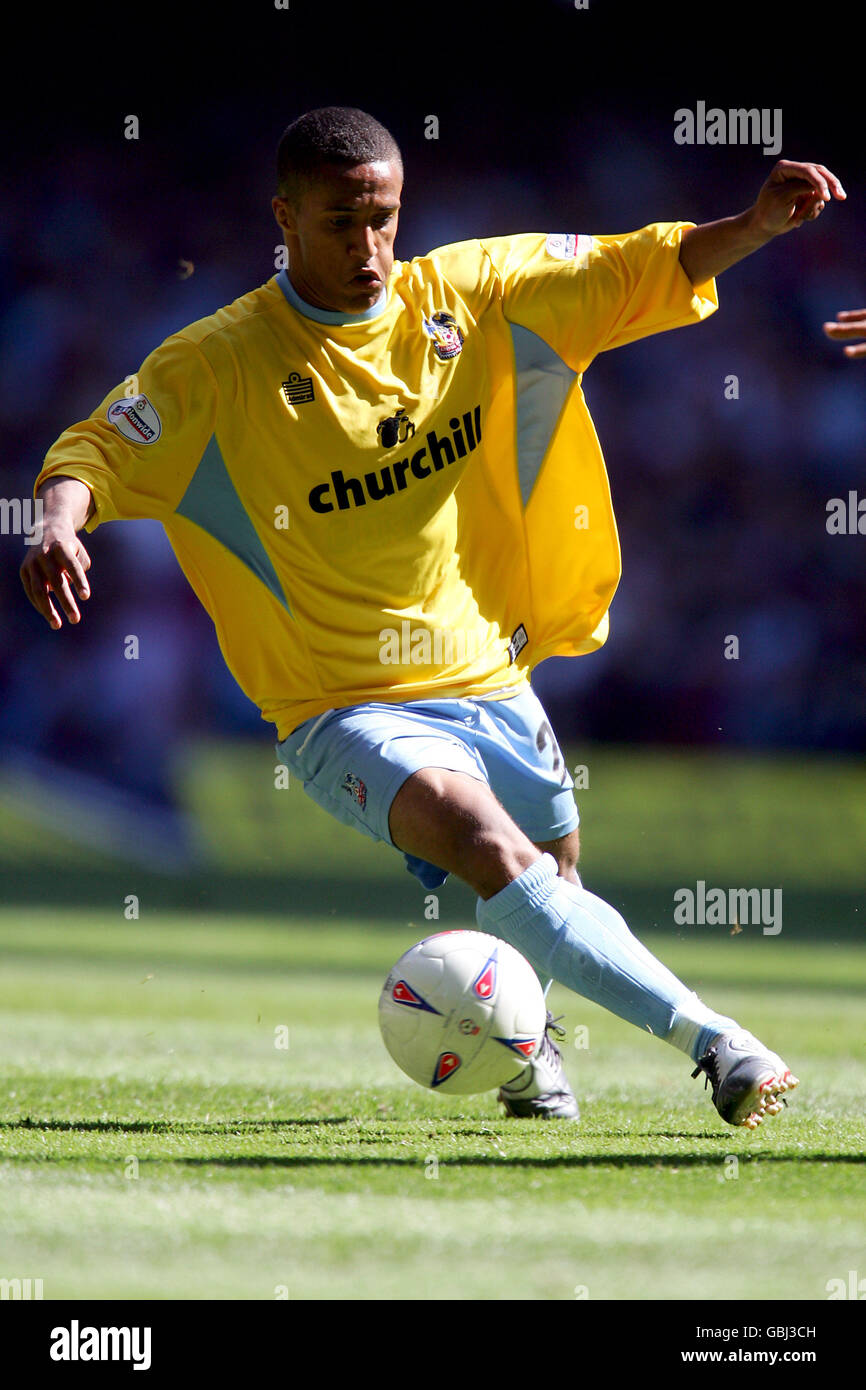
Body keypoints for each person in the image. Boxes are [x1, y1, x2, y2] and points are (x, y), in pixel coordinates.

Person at [21, 107, 845, 1124]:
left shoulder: (469, 296)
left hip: (486, 671)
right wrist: (59, 523)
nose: (368, 247)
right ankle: (717, 1044)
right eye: (337, 222)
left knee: (556, 872)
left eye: (383, 218)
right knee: (485, 843)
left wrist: (755, 224)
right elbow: (94, 446)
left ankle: (525, 1050)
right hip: (341, 703)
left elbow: (641, 266)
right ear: (282, 216)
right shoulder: (219, 362)